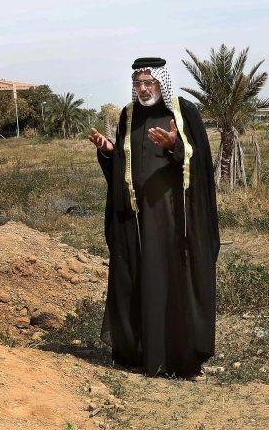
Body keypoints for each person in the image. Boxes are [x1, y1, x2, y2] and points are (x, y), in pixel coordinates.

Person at [88, 57, 219, 378]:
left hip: (176, 219)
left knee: (177, 281)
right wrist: (108, 151)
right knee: (140, 277)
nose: (144, 89)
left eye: (149, 83)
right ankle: (142, 353)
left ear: (162, 82)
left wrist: (177, 146)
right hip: (138, 219)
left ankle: (181, 357)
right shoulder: (127, 115)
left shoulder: (183, 112)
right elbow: (124, 161)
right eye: (138, 84)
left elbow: (200, 160)